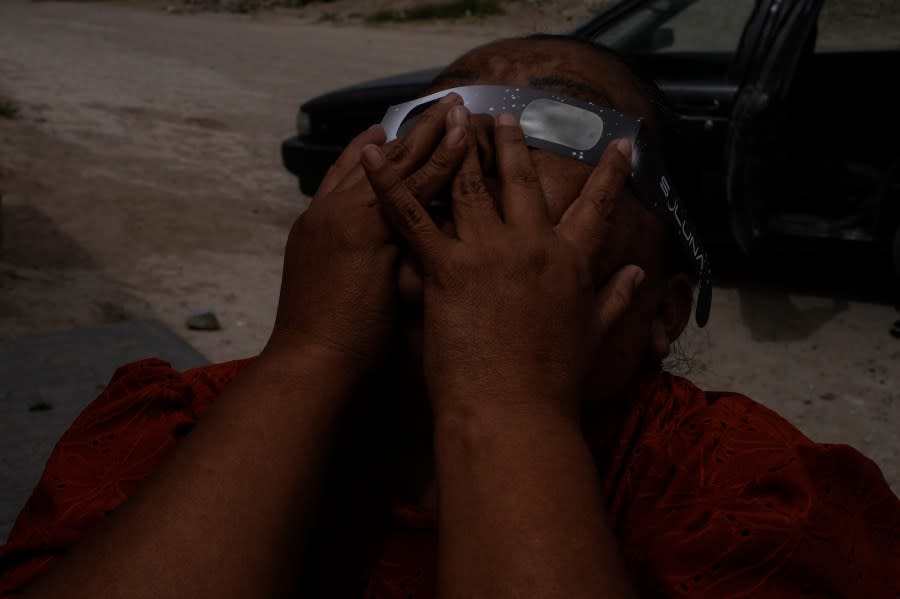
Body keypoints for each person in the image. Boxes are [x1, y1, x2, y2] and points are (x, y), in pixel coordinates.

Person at [1, 35, 898, 598]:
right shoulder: (176, 428)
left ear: (662, 308)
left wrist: (504, 403)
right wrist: (306, 354)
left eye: (555, 121)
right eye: (431, 115)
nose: (464, 141)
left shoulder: (762, 500)